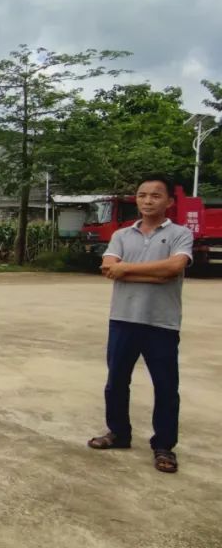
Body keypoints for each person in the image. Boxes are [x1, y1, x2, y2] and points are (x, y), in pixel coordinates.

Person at [88, 174, 193, 474]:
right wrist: (152, 273)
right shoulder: (121, 235)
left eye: (156, 195)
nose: (148, 200)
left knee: (166, 386)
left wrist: (126, 271)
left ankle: (164, 446)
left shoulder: (180, 234)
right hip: (123, 319)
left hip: (162, 323)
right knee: (116, 381)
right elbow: (108, 268)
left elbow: (174, 268)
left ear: (170, 201)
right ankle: (118, 433)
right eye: (142, 195)